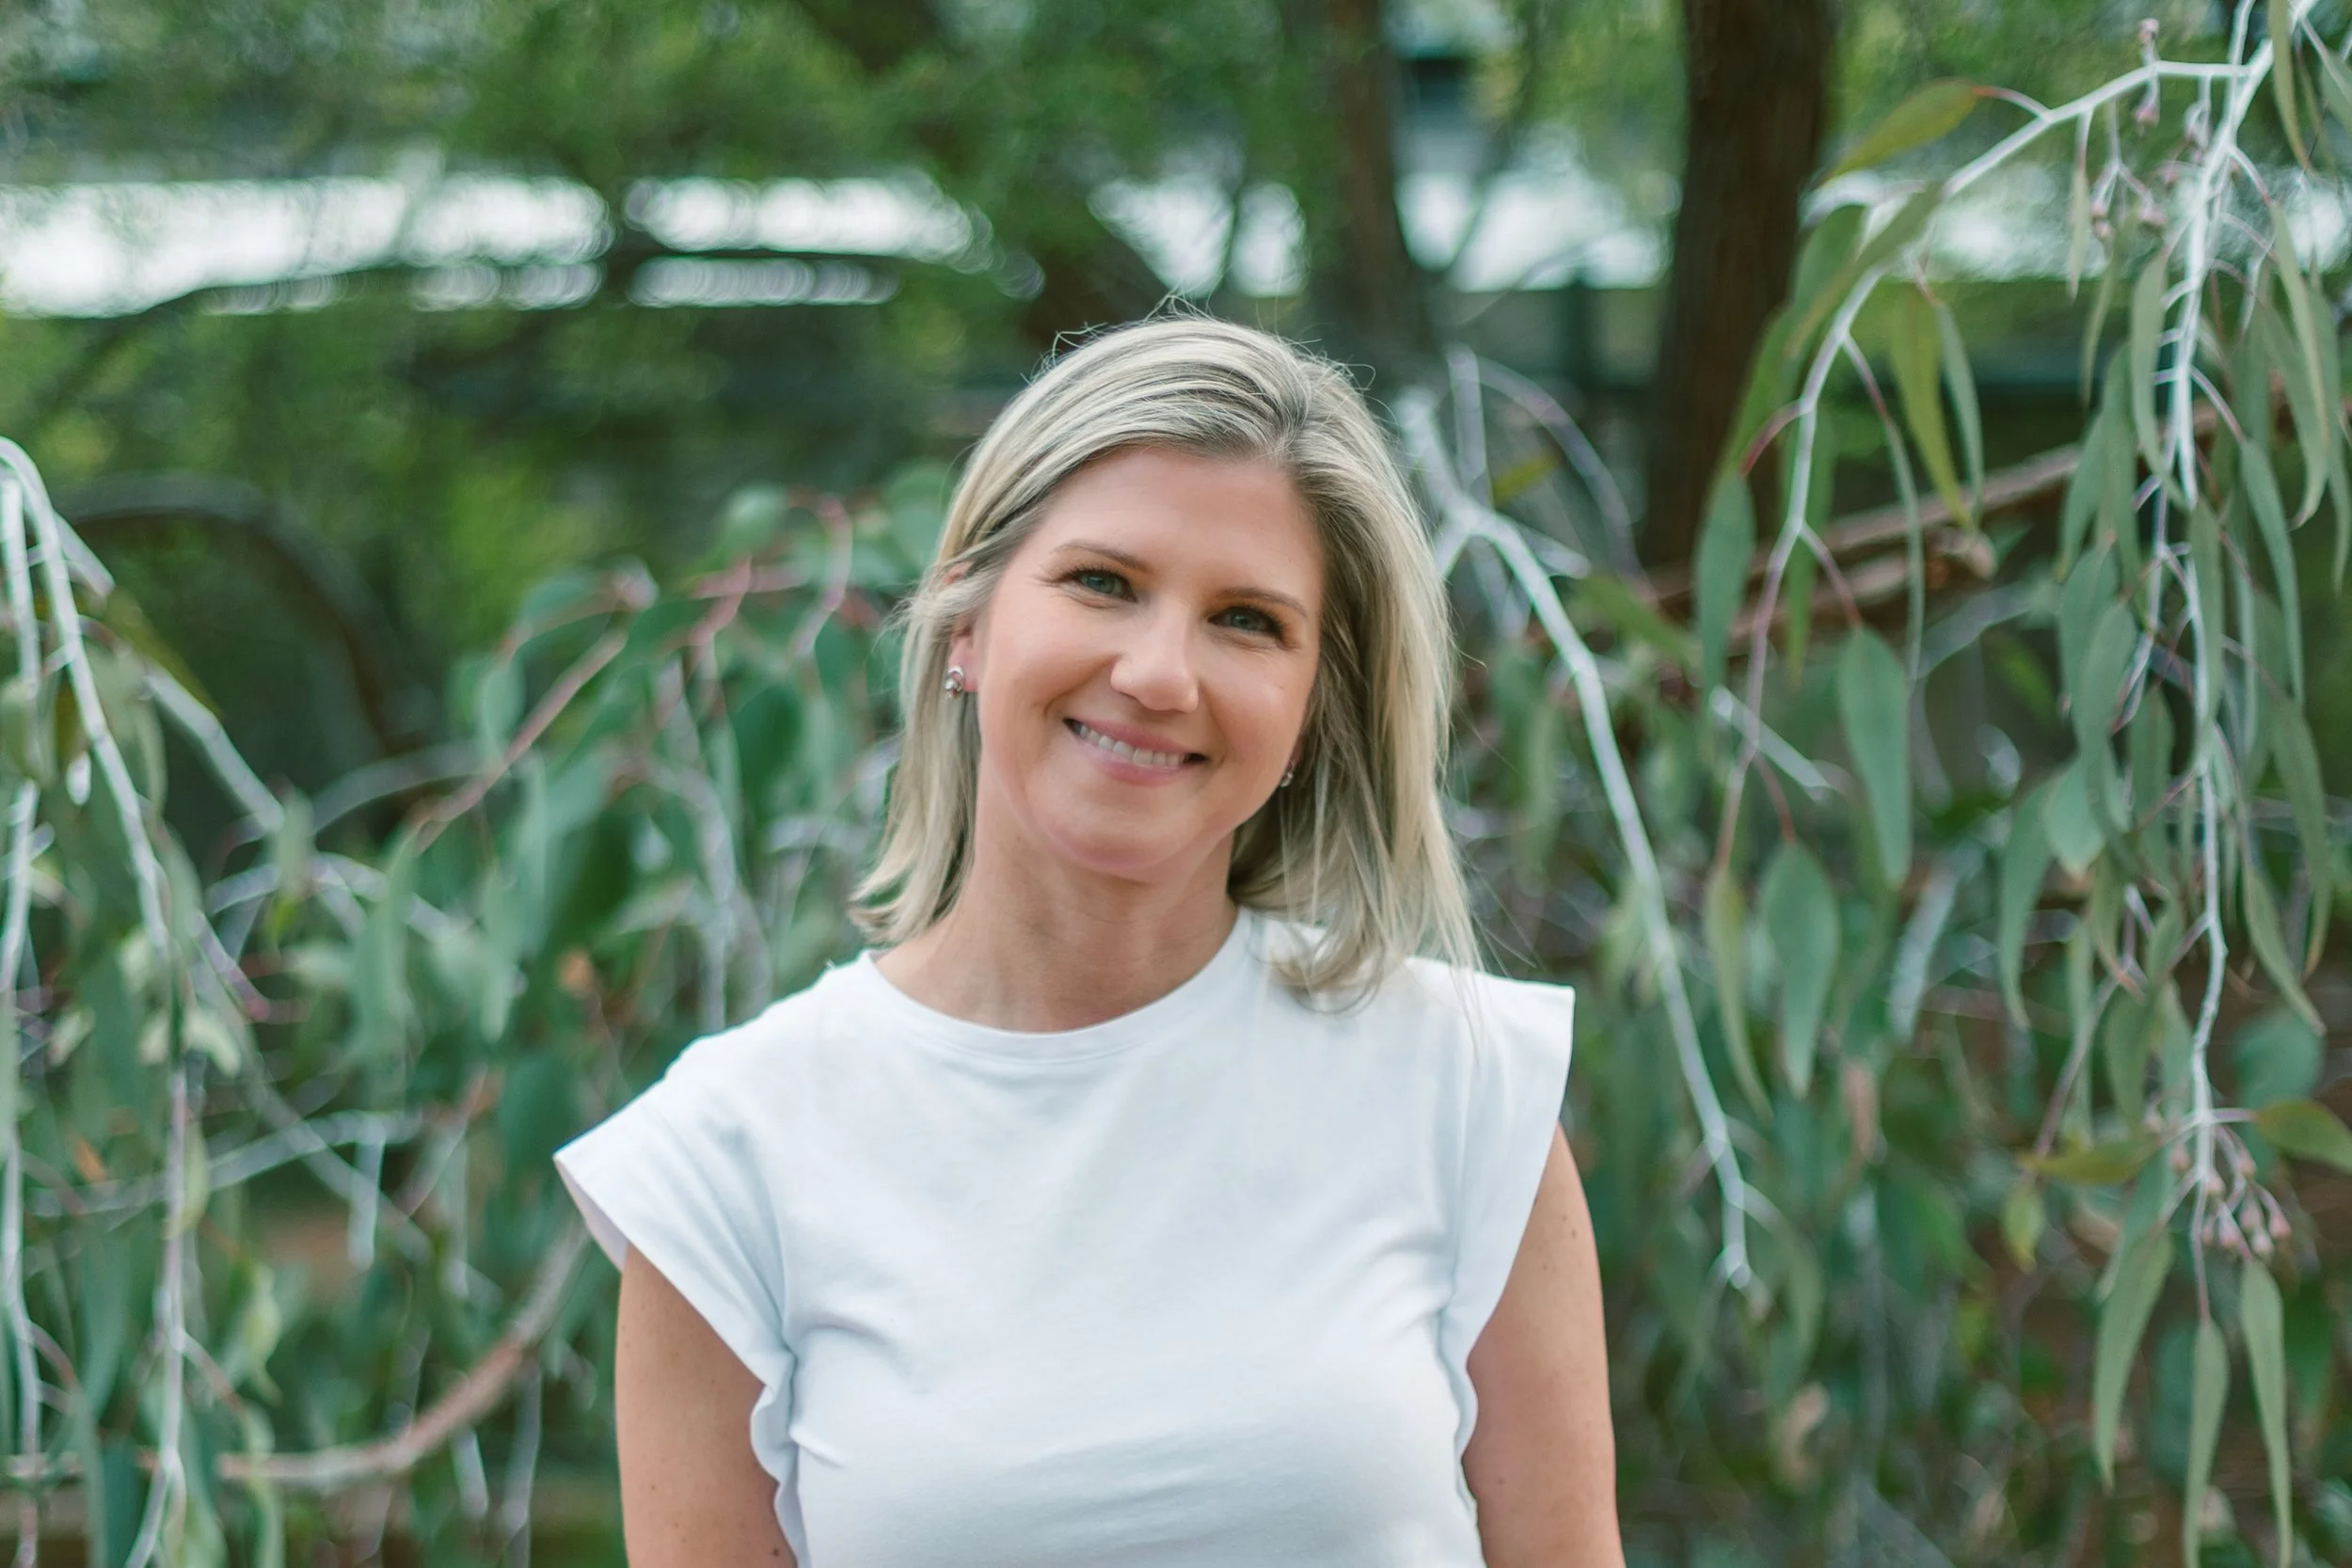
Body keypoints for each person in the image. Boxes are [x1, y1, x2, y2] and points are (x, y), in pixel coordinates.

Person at [555, 316, 1622, 1567]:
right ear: (967, 623)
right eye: (1103, 582)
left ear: (1307, 709)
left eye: (1246, 620)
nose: (1160, 671)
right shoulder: (726, 1163)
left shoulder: (1465, 1091)